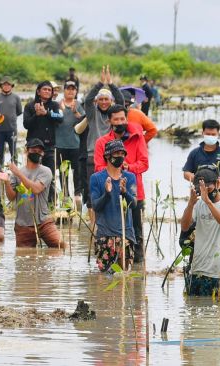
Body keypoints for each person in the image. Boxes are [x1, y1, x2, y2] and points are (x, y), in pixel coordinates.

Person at [94, 105, 149, 262]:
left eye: (122, 118)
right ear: (109, 121)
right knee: (107, 231)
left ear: (127, 119)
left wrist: (128, 167)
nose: (120, 122)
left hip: (133, 191)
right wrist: (116, 169)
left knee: (136, 231)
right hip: (109, 192)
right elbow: (98, 167)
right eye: (116, 119)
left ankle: (138, 269)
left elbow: (144, 163)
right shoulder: (102, 142)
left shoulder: (137, 137)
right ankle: (109, 265)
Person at [180, 166, 220, 296]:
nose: (205, 193)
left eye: (209, 188)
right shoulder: (197, 203)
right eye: (201, 189)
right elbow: (185, 227)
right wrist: (190, 204)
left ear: (218, 183)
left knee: (218, 311)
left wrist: (208, 202)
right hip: (197, 268)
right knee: (194, 311)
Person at [4, 139, 64, 248]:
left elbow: (36, 189)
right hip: (23, 224)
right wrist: (6, 182)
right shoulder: (16, 173)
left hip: (43, 221)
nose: (37, 153)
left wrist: (18, 174)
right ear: (27, 151)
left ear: (43, 154)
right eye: (34, 150)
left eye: (39, 151)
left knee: (60, 246)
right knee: (24, 258)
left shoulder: (46, 171)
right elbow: (11, 197)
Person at [90, 140, 137, 272]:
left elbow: (134, 204)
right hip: (105, 237)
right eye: (116, 153)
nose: (120, 156)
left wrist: (124, 192)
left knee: (124, 277)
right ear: (107, 156)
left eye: (122, 153)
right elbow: (95, 206)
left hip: (125, 236)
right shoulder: (97, 178)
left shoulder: (130, 177)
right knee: (105, 279)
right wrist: (107, 193)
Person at [83, 66, 124, 215]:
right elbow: (87, 100)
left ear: (111, 101)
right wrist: (100, 83)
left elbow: (120, 100)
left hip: (113, 156)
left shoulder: (114, 115)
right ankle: (94, 225)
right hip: (92, 155)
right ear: (97, 101)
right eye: (101, 99)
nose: (104, 102)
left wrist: (111, 84)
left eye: (106, 99)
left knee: (113, 188)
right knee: (91, 190)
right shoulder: (92, 113)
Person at [23, 80, 64, 202]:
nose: (47, 91)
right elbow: (26, 124)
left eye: (49, 90)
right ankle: (30, 201)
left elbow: (60, 118)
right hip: (33, 147)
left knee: (49, 176)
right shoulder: (30, 106)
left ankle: (50, 202)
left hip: (49, 146)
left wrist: (46, 113)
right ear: (38, 91)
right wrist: (36, 114)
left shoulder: (55, 106)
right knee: (31, 175)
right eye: (45, 89)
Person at [183, 119, 220, 190]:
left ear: (218, 133)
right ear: (202, 133)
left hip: (219, 194)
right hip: (199, 194)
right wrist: (197, 180)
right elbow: (186, 173)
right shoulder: (194, 153)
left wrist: (219, 181)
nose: (210, 136)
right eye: (208, 134)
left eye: (213, 134)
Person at [56, 80, 86, 199]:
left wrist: (76, 113)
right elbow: (53, 120)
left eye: (73, 89)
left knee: (77, 172)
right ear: (64, 90)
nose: (70, 91)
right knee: (63, 172)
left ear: (76, 91)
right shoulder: (57, 104)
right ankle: (65, 194)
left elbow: (84, 122)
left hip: (75, 144)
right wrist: (61, 111)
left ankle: (77, 194)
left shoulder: (79, 105)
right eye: (68, 88)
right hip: (60, 144)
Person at [0, 76, 23, 164]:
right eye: (4, 84)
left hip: (12, 130)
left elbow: (19, 111)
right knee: (0, 152)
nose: (6, 86)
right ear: (1, 86)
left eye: (8, 84)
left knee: (13, 152)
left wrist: (11, 117)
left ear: (11, 86)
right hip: (0, 130)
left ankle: (15, 171)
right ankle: (0, 170)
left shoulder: (16, 98)